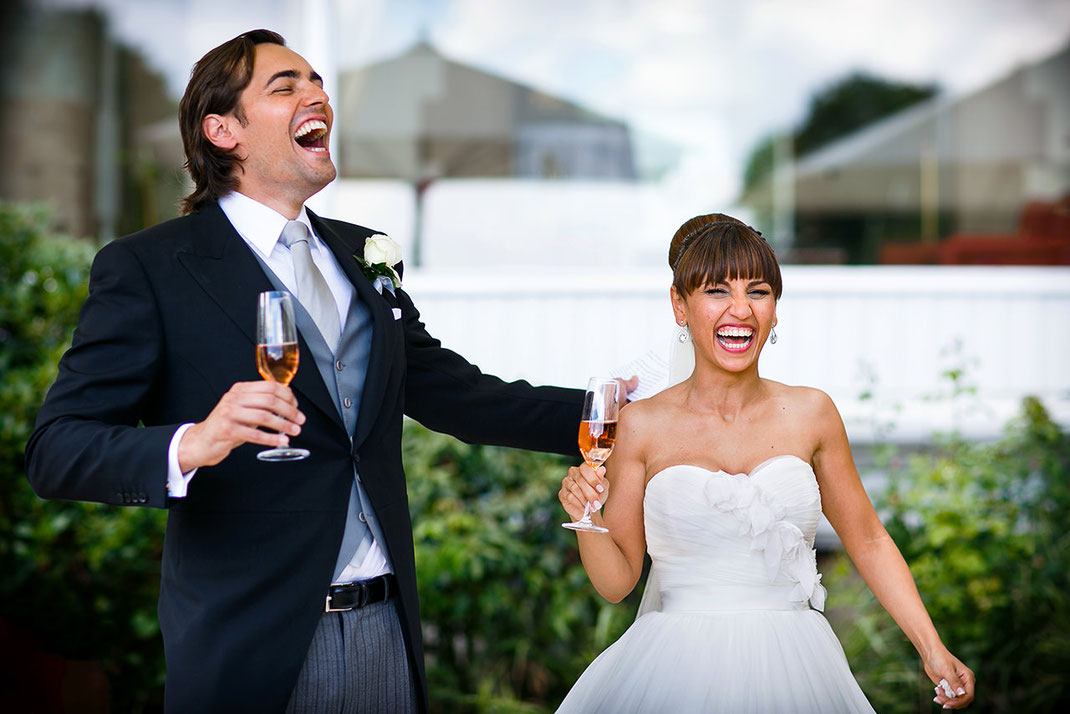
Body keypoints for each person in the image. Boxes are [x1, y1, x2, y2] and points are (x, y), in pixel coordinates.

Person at [24, 29, 606, 713]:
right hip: (253, 647)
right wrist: (195, 441)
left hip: (386, 628)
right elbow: (57, 450)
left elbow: (460, 397)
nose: (317, 95)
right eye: (286, 85)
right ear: (222, 130)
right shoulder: (150, 268)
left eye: (318, 81)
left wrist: (622, 413)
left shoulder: (362, 254)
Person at [555, 214, 976, 713]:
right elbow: (617, 582)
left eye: (757, 292)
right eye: (716, 291)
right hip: (674, 669)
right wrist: (586, 517)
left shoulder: (813, 412)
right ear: (679, 306)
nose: (741, 310)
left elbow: (867, 539)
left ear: (775, 310)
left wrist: (932, 648)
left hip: (798, 665)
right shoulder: (641, 424)